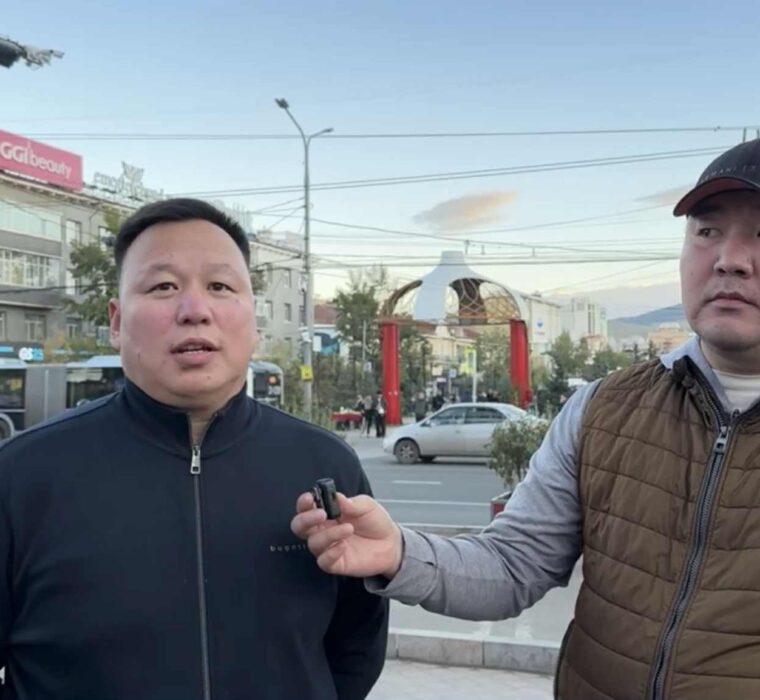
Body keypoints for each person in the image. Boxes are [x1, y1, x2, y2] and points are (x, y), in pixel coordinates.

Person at [292, 140, 760, 699]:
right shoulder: (603, 408)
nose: (730, 259)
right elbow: (515, 565)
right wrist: (398, 552)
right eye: (707, 231)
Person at [0, 198, 388, 700]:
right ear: (116, 321)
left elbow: (355, 650)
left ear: (253, 319)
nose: (195, 310)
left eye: (220, 286)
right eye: (163, 287)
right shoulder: (23, 475)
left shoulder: (324, 465)